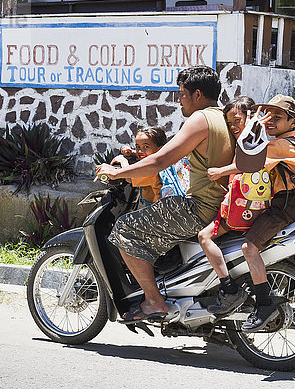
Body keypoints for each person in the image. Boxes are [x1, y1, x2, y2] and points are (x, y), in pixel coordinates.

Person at [95, 65, 235, 322]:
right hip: (220, 205)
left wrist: (117, 174)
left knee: (124, 229)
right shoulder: (223, 117)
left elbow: (160, 160)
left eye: (182, 94)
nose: (178, 100)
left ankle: (154, 301)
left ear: (197, 94)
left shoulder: (200, 119)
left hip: (198, 207)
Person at [238, 94, 295, 333]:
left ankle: (263, 304)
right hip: (284, 204)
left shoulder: (280, 145)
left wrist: (217, 171)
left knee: (249, 247)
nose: (269, 121)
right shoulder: (289, 143)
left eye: (276, 117)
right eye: (266, 115)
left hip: (283, 206)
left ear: (293, 122)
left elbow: (246, 163)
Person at [197, 96, 270, 315]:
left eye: (237, 120)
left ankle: (229, 288)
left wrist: (220, 172)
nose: (233, 127)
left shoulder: (252, 139)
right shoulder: (259, 137)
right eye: (230, 123)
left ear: (250, 116)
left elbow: (247, 165)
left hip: (240, 210)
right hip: (255, 206)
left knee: (204, 237)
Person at [111, 127, 187, 206]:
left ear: (160, 149)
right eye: (138, 147)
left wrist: (122, 160)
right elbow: (149, 155)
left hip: (156, 208)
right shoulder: (167, 159)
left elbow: (129, 177)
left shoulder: (151, 169)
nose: (140, 151)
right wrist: (132, 153)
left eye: (146, 147)